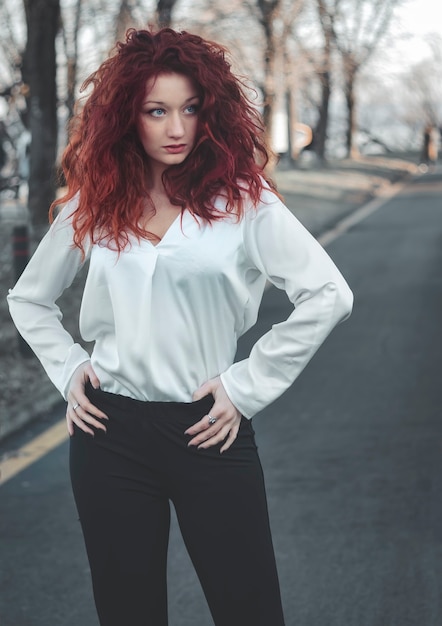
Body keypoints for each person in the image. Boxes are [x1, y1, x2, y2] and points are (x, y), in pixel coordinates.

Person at [7, 27, 353, 626]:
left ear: (210, 112)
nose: (176, 128)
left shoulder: (245, 202)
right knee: (128, 613)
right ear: (126, 118)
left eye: (190, 109)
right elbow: (29, 300)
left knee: (250, 610)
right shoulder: (96, 202)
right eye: (156, 111)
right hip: (109, 433)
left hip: (209, 429)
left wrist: (246, 386)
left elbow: (329, 294)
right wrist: (69, 372)